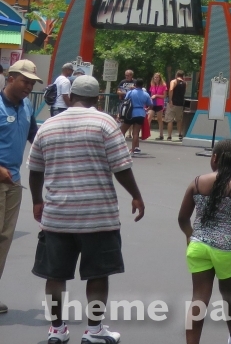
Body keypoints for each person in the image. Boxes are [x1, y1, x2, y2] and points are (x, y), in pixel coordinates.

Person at [28, 74, 144, 344]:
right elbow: (121, 168)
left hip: (57, 216)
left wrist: (37, 200)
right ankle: (94, 331)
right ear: (97, 99)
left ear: (70, 97)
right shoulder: (106, 123)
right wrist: (136, 196)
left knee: (55, 275)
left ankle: (57, 330)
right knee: (98, 274)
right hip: (98, 216)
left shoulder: (48, 125)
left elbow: (35, 170)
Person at [177, 139, 231, 344]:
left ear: (214, 158)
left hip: (198, 246)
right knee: (230, 293)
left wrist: (190, 236)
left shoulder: (196, 182)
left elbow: (182, 218)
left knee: (198, 298)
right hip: (226, 249)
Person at [0, 60, 41, 314]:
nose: (29, 87)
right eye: (25, 81)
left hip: (13, 182)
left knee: (4, 239)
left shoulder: (27, 106)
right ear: (11, 78)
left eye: (32, 83)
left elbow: (36, 138)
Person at [119, 79, 152, 156]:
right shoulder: (146, 94)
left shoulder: (131, 92)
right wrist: (147, 109)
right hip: (141, 113)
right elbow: (150, 104)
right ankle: (133, 151)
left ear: (135, 85)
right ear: (142, 85)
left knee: (122, 130)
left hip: (130, 113)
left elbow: (125, 100)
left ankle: (121, 148)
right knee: (136, 133)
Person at [167, 70, 188, 141]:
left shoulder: (174, 81)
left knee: (170, 120)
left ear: (176, 75)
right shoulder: (185, 83)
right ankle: (180, 134)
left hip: (173, 103)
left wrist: (170, 100)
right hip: (180, 104)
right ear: (183, 76)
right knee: (179, 120)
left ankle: (169, 136)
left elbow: (171, 89)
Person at [149, 72, 169, 140]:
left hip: (159, 104)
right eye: (155, 77)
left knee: (159, 119)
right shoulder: (152, 85)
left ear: (160, 78)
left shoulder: (163, 85)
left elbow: (164, 96)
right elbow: (151, 95)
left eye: (157, 77)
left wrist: (156, 95)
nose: (156, 78)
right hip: (153, 104)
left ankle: (161, 135)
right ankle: (146, 134)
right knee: (149, 118)